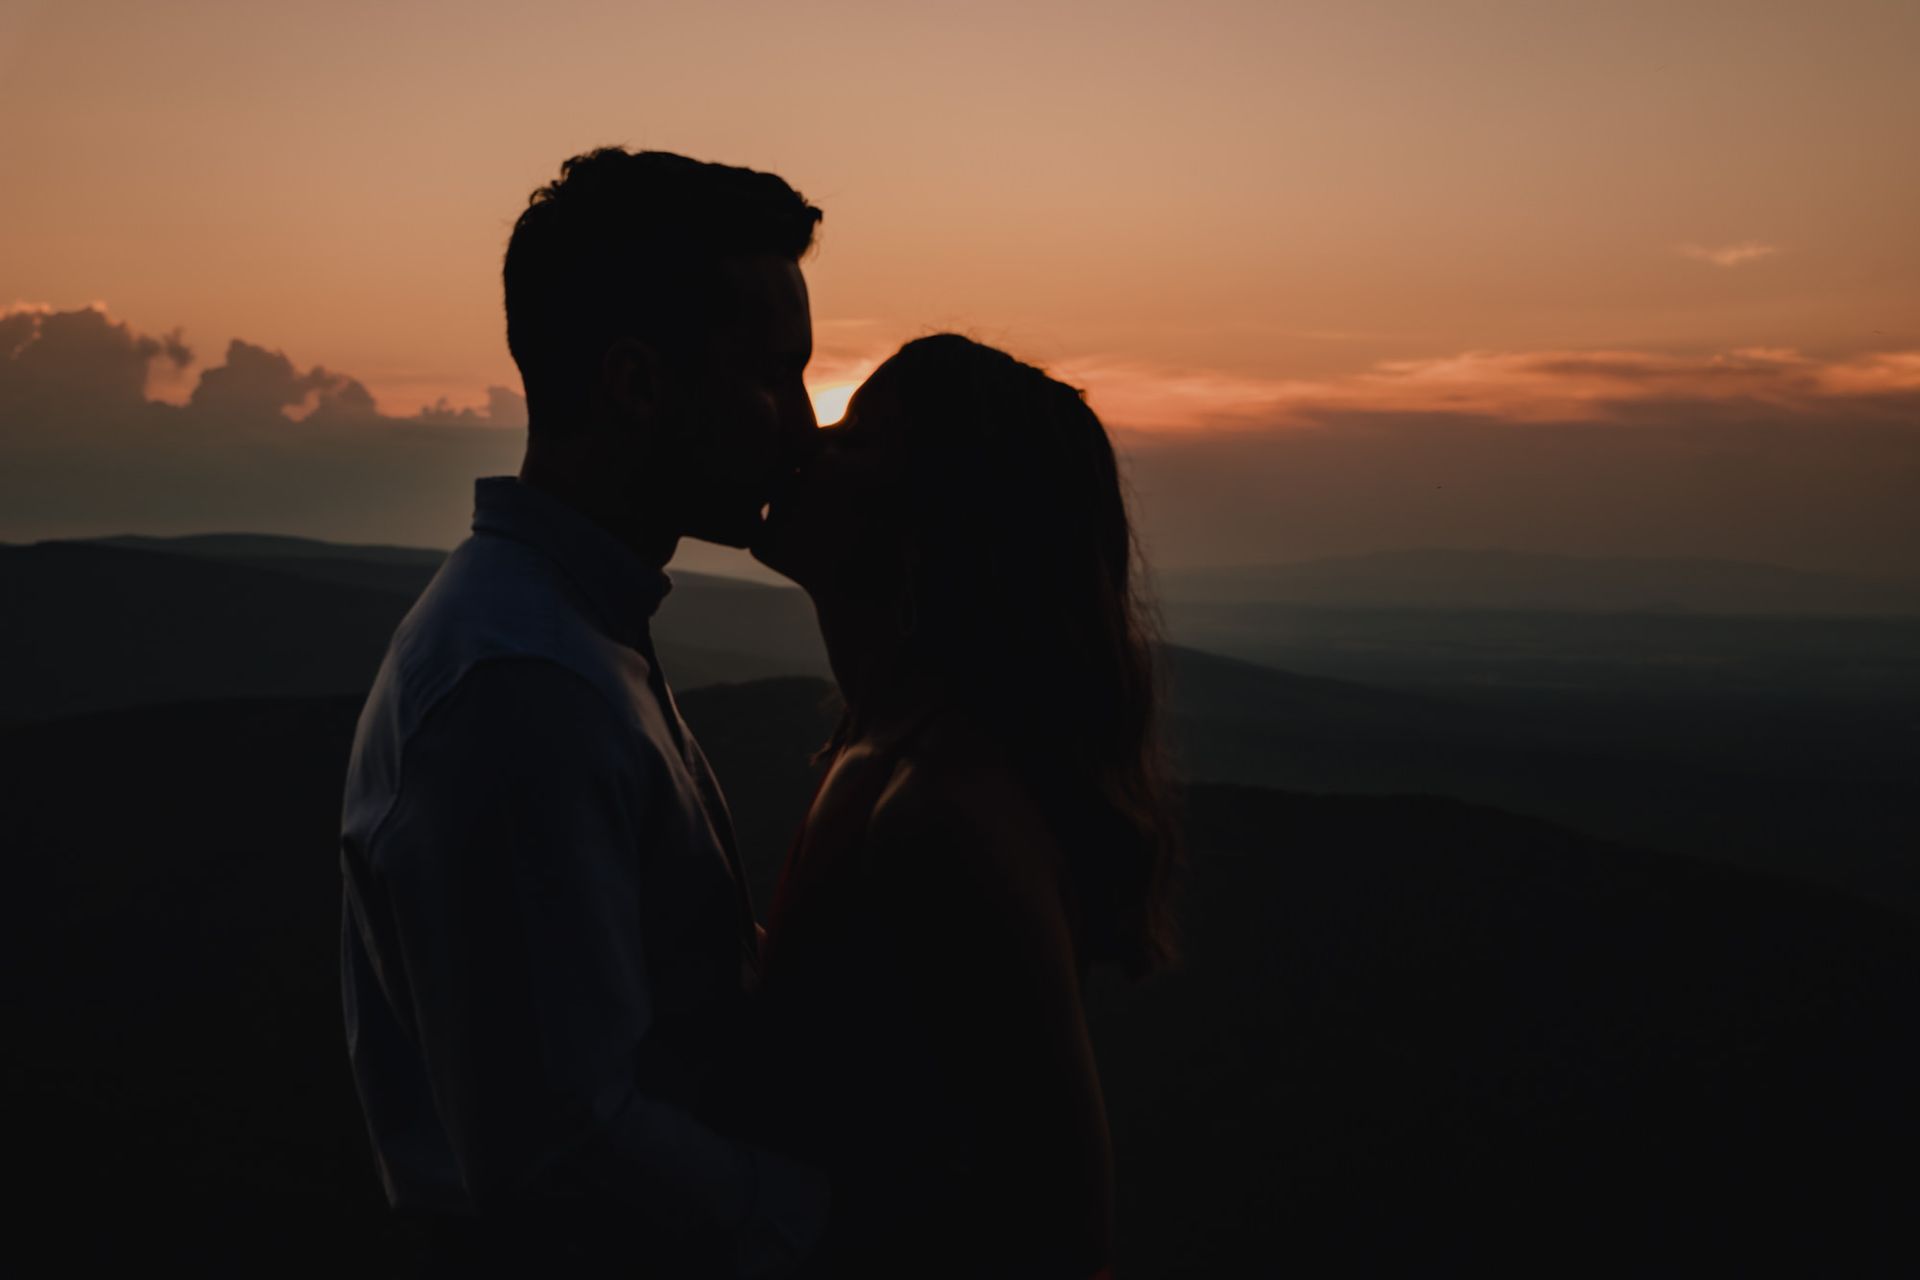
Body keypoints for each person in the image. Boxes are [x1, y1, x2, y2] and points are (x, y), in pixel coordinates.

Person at [338, 147, 830, 1277]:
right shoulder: (525, 686)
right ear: (636, 385)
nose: (801, 429)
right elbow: (568, 1148)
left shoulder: (561, 636)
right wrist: (831, 1225)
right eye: (772, 377)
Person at [748, 334, 1183, 1277]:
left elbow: (1064, 1226)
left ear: (933, 524)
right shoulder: (882, 749)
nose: (810, 444)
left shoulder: (946, 812)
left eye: (860, 438)